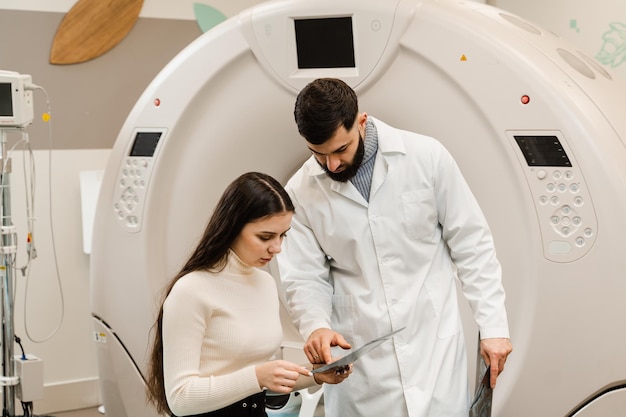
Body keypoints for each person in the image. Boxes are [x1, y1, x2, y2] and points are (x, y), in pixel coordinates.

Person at [276, 78, 513, 417]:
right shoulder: (300, 191)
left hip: (432, 346)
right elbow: (302, 276)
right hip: (363, 366)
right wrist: (316, 326)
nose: (331, 165)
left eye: (340, 150)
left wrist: (494, 328)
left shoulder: (426, 157)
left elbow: (472, 244)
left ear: (362, 121)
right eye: (318, 154)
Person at [145, 171, 350, 417]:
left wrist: (316, 375)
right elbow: (180, 398)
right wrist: (258, 376)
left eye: (283, 235)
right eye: (265, 237)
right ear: (233, 226)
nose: (277, 248)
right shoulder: (191, 291)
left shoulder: (264, 283)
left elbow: (260, 381)